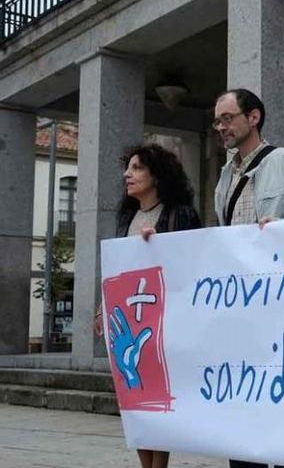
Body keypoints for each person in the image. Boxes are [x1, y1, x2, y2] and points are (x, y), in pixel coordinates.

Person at [106, 143, 202, 468]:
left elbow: (194, 264)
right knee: (134, 397)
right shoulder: (126, 217)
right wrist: (100, 308)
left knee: (157, 398)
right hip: (128, 321)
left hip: (163, 322)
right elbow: (117, 271)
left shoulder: (180, 214)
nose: (127, 175)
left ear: (156, 176)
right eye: (128, 168)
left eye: (136, 168)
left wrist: (159, 242)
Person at [213, 88, 284, 226]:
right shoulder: (226, 174)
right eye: (217, 122)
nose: (221, 127)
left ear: (254, 118)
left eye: (227, 118)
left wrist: (282, 226)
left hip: (277, 247)